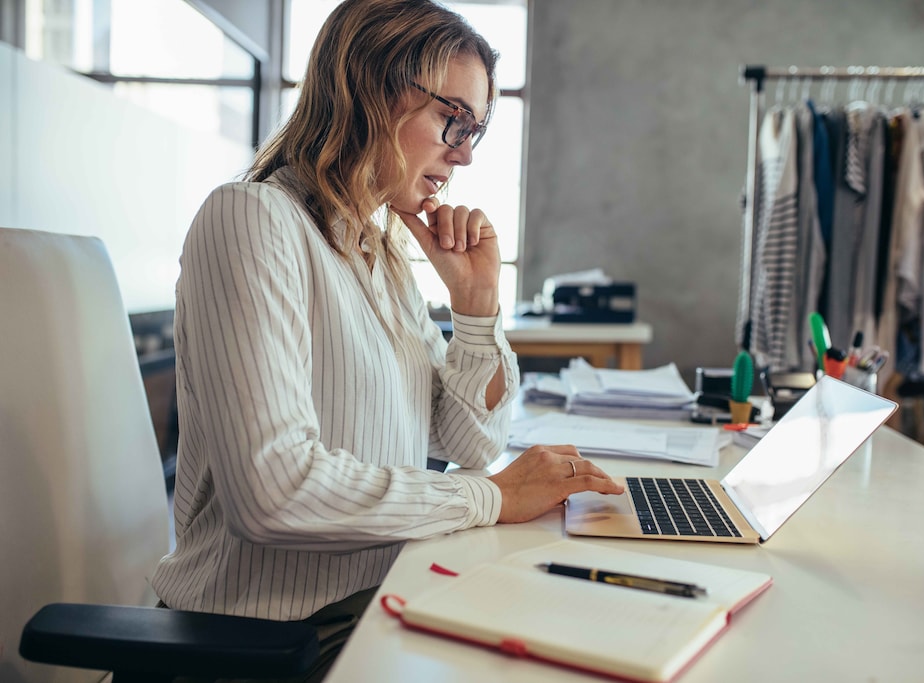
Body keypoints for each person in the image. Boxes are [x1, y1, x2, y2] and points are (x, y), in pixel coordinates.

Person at [151, 0, 623, 679]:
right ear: (370, 89)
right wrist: (488, 496)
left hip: (378, 603)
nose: (462, 152)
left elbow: (468, 441)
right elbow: (275, 489)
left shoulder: (383, 251)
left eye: (476, 130)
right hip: (267, 643)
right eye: (452, 118)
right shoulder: (252, 220)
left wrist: (477, 305)